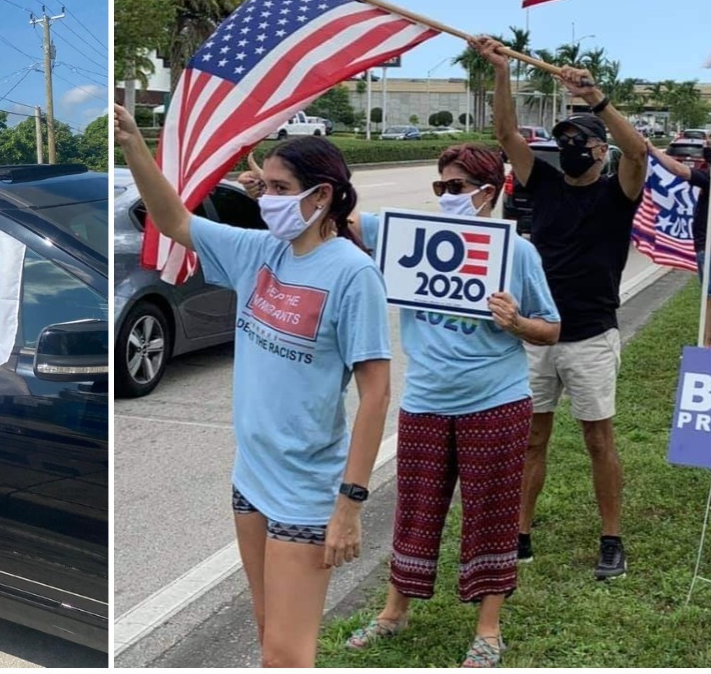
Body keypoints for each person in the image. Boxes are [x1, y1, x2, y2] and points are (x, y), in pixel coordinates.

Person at [243, 145, 561, 667]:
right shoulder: (405, 235)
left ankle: (488, 627)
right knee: (414, 511)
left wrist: (517, 323)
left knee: (492, 515)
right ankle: (395, 611)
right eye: (440, 187)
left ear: (489, 190)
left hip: (497, 403)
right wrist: (276, 188)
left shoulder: (516, 254)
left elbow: (550, 329)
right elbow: (331, 211)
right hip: (425, 402)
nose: (446, 197)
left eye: (456, 188)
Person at [113, 105, 392, 668]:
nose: (266, 198)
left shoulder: (352, 274)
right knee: (268, 635)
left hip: (308, 491)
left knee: (287, 656)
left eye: (280, 188)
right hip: (251, 478)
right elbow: (174, 221)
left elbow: (377, 393)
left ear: (321, 197)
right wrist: (134, 147)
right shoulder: (258, 251)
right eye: (264, 185)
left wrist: (350, 504)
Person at [476, 36, 648, 582]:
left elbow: (639, 152)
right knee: (533, 436)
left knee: (599, 439)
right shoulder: (545, 184)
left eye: (579, 139)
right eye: (563, 137)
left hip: (592, 335)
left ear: (600, 149)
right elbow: (505, 135)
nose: (569, 144)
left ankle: (612, 539)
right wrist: (502, 71)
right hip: (537, 332)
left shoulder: (618, 190)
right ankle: (519, 533)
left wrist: (595, 100)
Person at [646, 130, 711, 347]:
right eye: (706, 143)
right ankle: (706, 343)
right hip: (704, 244)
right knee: (708, 297)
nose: (706, 148)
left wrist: (652, 150)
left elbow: (679, 170)